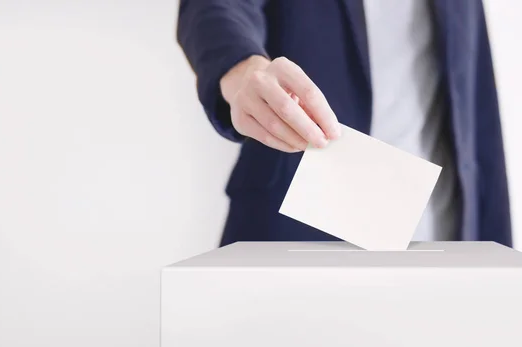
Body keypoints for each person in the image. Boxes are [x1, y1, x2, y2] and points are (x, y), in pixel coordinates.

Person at [176, 0, 512, 248]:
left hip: (442, 233)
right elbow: (214, 7)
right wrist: (243, 67)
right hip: (299, 230)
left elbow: (475, 96)